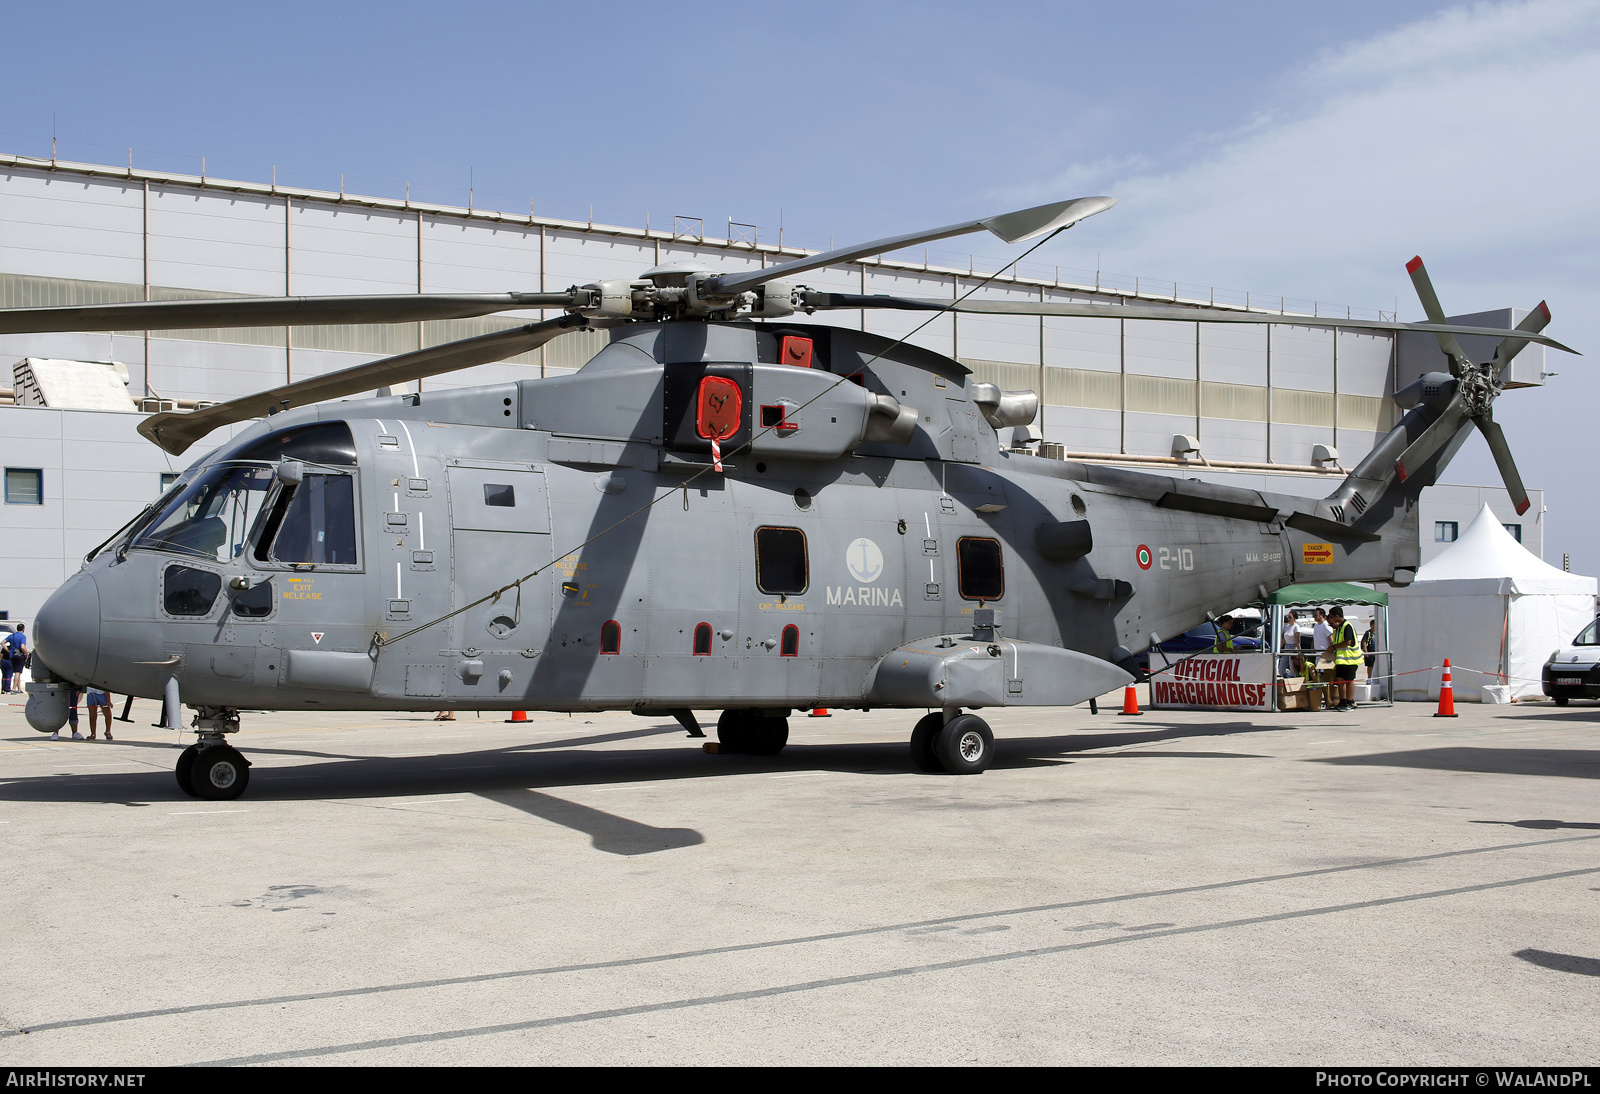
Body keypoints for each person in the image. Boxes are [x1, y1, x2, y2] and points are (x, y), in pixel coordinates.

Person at [1328, 607, 1362, 711]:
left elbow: (1348, 642)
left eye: (1332, 617)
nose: (1331, 620)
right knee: (1339, 680)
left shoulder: (1347, 626)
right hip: (1341, 660)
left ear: (1337, 617)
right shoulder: (1338, 628)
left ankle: (1350, 701)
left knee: (1349, 680)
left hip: (1351, 659)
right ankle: (1342, 701)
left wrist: (1334, 647)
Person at [2, 624, 26, 694]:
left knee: (16, 672)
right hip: (20, 656)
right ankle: (14, 688)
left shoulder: (12, 636)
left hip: (12, 655)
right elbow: (22, 647)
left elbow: (2, 643)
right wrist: (26, 653)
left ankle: (19, 688)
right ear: (23, 629)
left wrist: (8, 650)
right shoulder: (23, 637)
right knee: (18, 672)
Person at [1279, 611, 1300, 677]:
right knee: (1281, 668)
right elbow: (1284, 638)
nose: (1289, 619)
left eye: (1290, 617)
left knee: (1292, 667)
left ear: (1294, 618)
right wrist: (1280, 647)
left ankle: (1292, 679)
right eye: (1288, 617)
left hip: (1293, 646)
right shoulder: (1287, 627)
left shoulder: (1296, 627)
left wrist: (1296, 648)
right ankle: (1287, 677)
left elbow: (1297, 638)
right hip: (1287, 647)